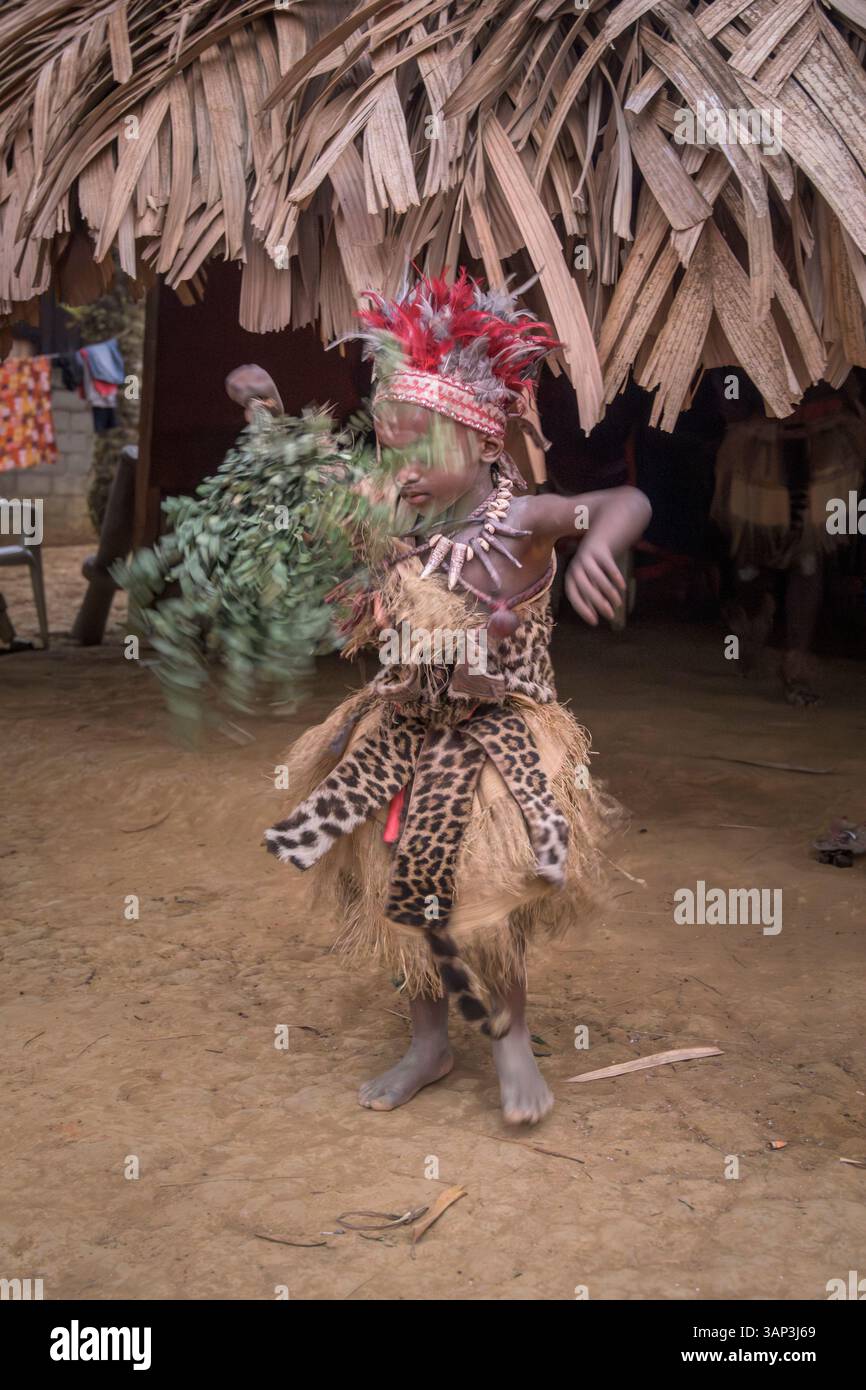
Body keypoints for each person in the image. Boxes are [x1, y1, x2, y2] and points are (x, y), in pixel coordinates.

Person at [262, 271, 651, 1124]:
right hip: (402, 733)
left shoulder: (526, 520)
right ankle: (429, 1044)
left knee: (487, 899)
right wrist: (267, 413)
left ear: (480, 445)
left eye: (420, 450)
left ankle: (512, 1047)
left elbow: (626, 499)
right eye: (389, 448)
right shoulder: (399, 521)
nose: (400, 469)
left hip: (496, 741)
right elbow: (313, 478)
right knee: (408, 890)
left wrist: (599, 551)